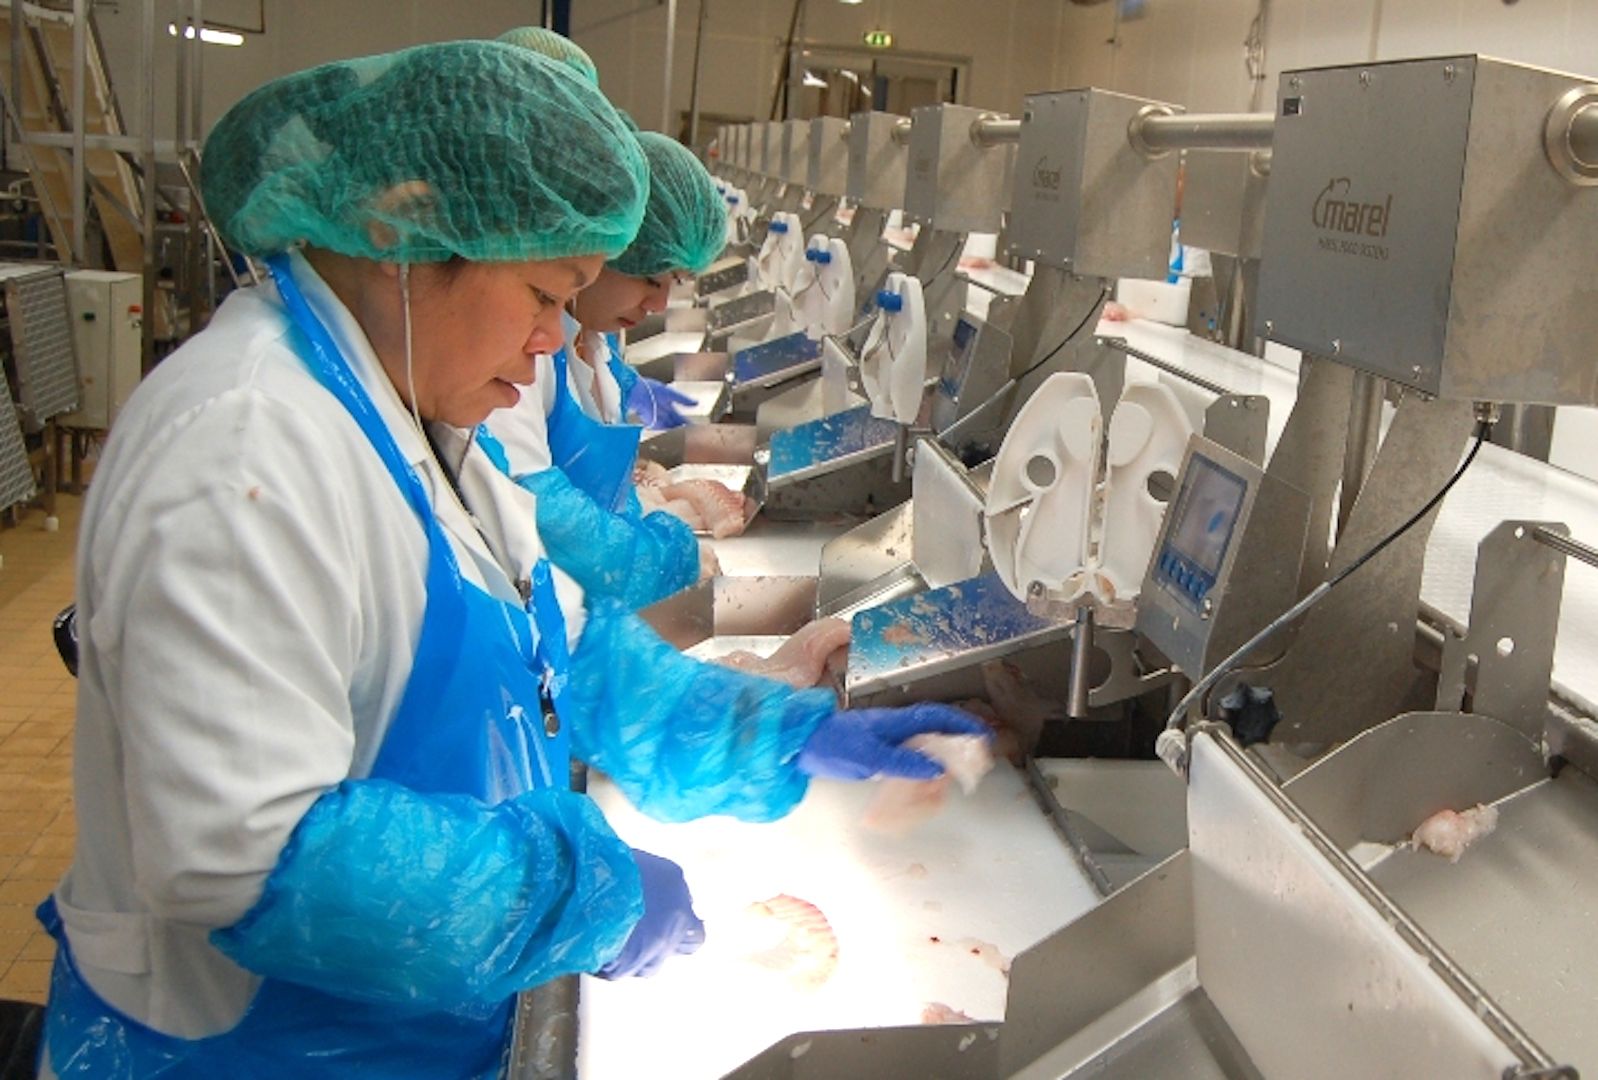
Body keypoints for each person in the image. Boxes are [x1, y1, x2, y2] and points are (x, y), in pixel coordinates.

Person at [39, 40, 986, 1079]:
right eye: (541, 293)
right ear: (402, 236)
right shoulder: (246, 447)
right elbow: (246, 853)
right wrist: (584, 899)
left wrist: (778, 735)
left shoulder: (419, 418)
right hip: (255, 1054)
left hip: (417, 1027)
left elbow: (566, 655)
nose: (551, 341)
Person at [483, 128, 727, 609]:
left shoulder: (595, 340)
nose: (659, 304)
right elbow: (541, 513)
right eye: (650, 279)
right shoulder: (519, 356)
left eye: (674, 283)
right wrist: (659, 557)